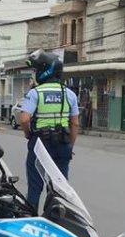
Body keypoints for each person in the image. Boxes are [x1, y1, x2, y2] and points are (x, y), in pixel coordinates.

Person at [17, 50, 80, 208]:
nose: (36, 73)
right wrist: (70, 146)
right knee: (59, 188)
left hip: (40, 145)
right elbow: (75, 124)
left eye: (37, 70)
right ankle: (55, 217)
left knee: (35, 187)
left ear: (45, 71)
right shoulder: (70, 94)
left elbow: (24, 119)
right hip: (62, 144)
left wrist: (28, 134)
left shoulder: (35, 93)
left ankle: (32, 217)